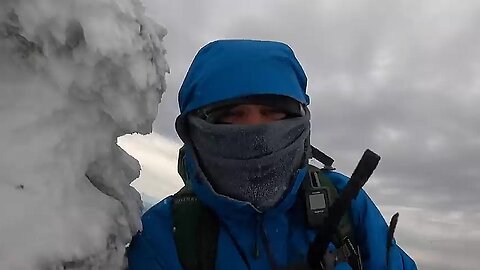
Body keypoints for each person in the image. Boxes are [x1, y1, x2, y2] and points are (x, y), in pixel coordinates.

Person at [127, 39, 417, 270]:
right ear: (194, 131)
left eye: (274, 112)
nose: (257, 131)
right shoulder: (167, 235)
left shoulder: (346, 207)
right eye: (231, 115)